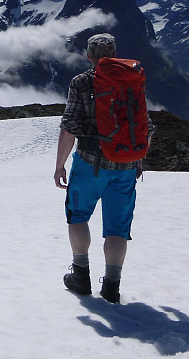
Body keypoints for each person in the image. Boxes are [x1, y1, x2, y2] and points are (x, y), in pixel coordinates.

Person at [54, 33, 152, 303]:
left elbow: (70, 125)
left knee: (78, 216)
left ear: (89, 55)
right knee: (118, 229)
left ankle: (81, 276)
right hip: (126, 165)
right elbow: (144, 124)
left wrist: (59, 164)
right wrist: (138, 158)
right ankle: (111, 287)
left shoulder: (82, 82)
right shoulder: (133, 78)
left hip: (90, 163)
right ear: (115, 53)